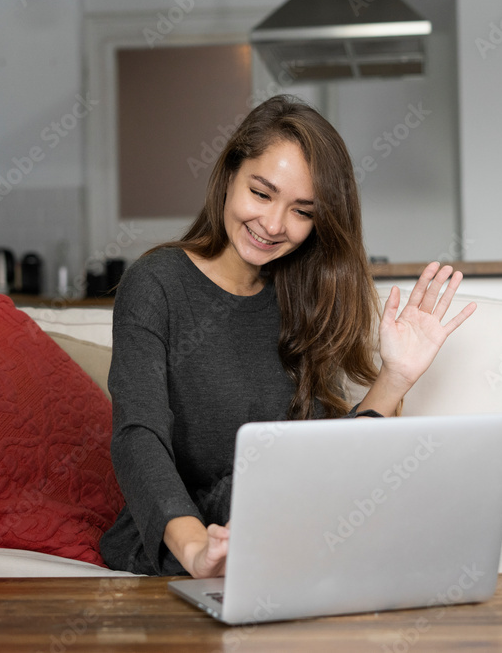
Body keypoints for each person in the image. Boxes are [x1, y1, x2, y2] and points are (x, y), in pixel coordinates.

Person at [100, 95, 476, 577]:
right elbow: (138, 435)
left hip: (287, 523)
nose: (274, 225)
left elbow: (324, 461)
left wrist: (396, 377)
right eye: (261, 193)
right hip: (187, 533)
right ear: (229, 176)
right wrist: (197, 549)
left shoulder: (302, 296)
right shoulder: (156, 283)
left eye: (302, 211)